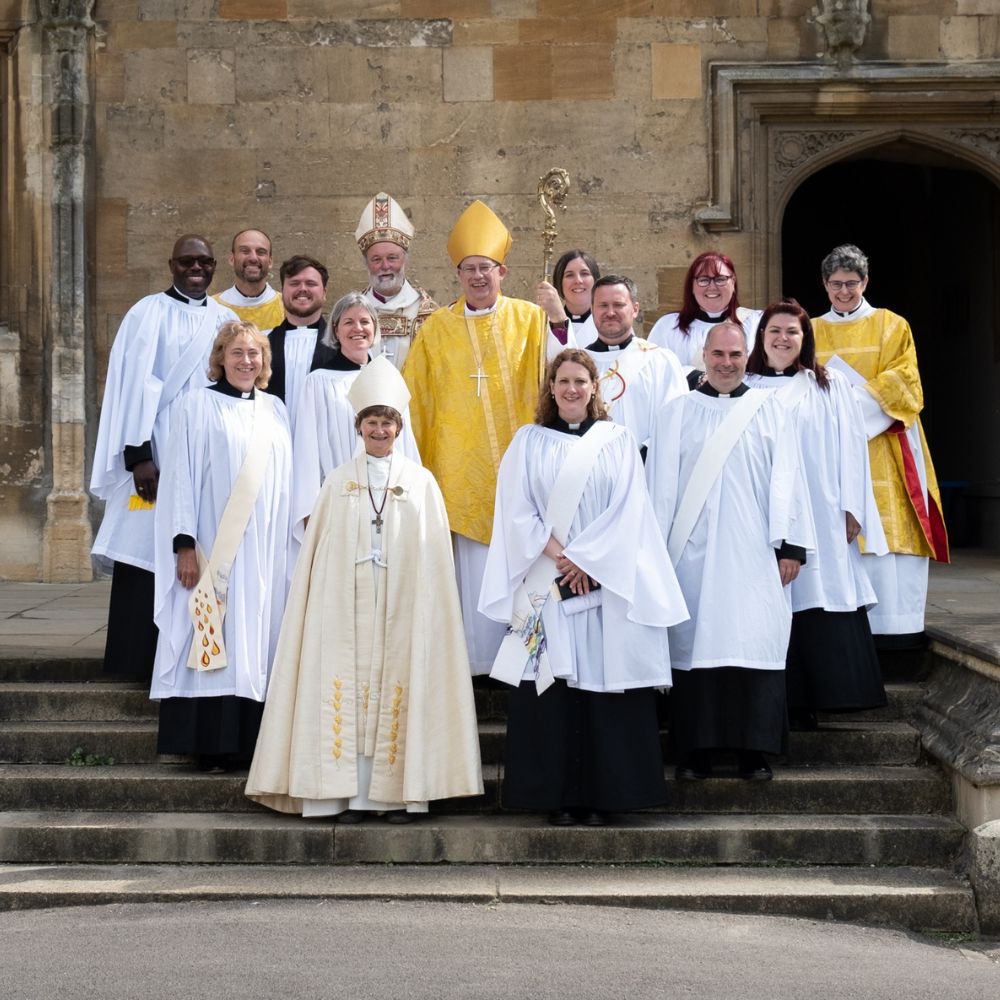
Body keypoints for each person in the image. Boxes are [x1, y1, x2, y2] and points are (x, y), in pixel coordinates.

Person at [246, 357, 483, 821]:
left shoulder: (421, 483)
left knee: (395, 684)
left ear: (399, 427)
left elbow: (432, 557)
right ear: (360, 427)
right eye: (372, 422)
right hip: (345, 604)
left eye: (387, 423)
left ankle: (396, 795)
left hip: (402, 604)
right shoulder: (337, 482)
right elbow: (322, 551)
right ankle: (346, 795)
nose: (379, 430)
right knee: (346, 689)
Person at [479, 349, 688, 825]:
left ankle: (607, 796)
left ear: (596, 387)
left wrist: (590, 561)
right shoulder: (526, 442)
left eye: (581, 380)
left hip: (606, 582)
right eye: (563, 381)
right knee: (554, 687)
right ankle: (558, 796)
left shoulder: (618, 440)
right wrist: (563, 557)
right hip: (547, 576)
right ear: (550, 389)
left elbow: (630, 508)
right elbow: (515, 511)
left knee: (604, 683)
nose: (572, 389)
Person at [402, 199, 566, 674]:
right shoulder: (435, 330)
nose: (477, 277)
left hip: (521, 472)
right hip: (459, 474)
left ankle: (525, 660)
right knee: (471, 578)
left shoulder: (528, 319)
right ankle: (475, 666)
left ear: (503, 271)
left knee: (523, 565)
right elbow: (417, 398)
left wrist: (555, 319)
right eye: (468, 269)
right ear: (458, 274)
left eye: (486, 268)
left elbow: (562, 369)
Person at [646, 322, 812, 781]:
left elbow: (789, 479)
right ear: (704, 354)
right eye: (717, 354)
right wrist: (656, 554)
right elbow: (658, 487)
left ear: (747, 355)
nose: (725, 363)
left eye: (735, 355)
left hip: (754, 550)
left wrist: (791, 545)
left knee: (751, 642)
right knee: (696, 646)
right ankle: (695, 752)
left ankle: (752, 751)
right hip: (690, 554)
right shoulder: (675, 413)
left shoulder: (770, 410)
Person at [90, 234, 239, 681]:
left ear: (215, 267)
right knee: (146, 553)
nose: (196, 269)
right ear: (171, 264)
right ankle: (133, 663)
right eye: (187, 262)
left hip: (206, 459)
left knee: (197, 553)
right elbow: (130, 386)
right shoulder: (147, 312)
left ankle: (190, 663)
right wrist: (138, 457)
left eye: (204, 262)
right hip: (155, 458)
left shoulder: (227, 319)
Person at [150, 321, 293, 773]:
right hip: (213, 547)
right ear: (220, 358)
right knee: (213, 638)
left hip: (265, 551)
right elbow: (178, 478)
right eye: (237, 353)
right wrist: (184, 544)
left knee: (255, 635)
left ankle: (250, 743)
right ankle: (208, 744)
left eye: (254, 354)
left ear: (265, 362)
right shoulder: (196, 405)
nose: (247, 361)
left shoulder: (276, 410)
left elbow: (285, 485)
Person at [746, 299, 887, 728]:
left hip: (820, 509)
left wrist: (852, 507)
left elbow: (851, 448)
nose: (783, 338)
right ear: (762, 338)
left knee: (815, 595)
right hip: (759, 511)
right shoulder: (745, 386)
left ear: (805, 340)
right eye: (775, 331)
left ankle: (817, 695)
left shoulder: (829, 386)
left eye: (792, 331)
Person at [811, 244, 949, 640]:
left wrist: (846, 408)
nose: (843, 293)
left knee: (887, 530)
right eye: (836, 284)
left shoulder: (892, 325)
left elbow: (905, 380)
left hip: (883, 443)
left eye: (851, 284)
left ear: (865, 282)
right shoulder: (811, 329)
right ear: (824, 284)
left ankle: (895, 634)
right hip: (830, 447)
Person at [291, 295, 419, 549]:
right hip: (338, 501)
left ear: (375, 328)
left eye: (365, 321)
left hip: (387, 501)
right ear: (336, 330)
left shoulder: (389, 379)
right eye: (348, 322)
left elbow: (406, 445)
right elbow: (306, 450)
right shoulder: (318, 382)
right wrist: (309, 512)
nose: (358, 328)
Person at [584, 274, 686, 450]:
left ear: (635, 309)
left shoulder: (660, 361)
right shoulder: (578, 365)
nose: (610, 312)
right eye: (602, 305)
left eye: (618, 305)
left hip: (646, 468)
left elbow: (675, 422)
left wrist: (640, 459)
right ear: (592, 309)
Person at [648, 251, 762, 388]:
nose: (712, 287)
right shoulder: (668, 326)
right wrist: (696, 377)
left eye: (720, 279)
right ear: (692, 286)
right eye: (703, 280)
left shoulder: (756, 322)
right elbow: (654, 372)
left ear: (733, 282)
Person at [356, 191, 438, 371]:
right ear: (366, 264)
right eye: (376, 259)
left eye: (392, 258)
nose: (385, 266)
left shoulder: (428, 314)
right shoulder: (352, 312)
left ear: (405, 260)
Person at [265, 254, 337, 431]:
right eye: (294, 283)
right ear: (282, 292)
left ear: (325, 293)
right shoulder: (262, 343)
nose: (302, 289)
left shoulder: (341, 345)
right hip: (273, 443)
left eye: (311, 284)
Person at [212, 228, 284, 330]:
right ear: (232, 259)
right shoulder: (212, 307)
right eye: (245, 251)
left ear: (270, 262)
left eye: (261, 252)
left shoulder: (286, 307)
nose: (253, 258)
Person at [535, 248, 600, 345]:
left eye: (584, 274)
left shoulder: (609, 323)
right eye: (569, 275)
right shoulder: (543, 325)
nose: (578, 280)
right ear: (559, 283)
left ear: (596, 281)